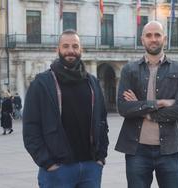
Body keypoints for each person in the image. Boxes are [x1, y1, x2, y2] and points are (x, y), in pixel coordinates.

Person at [23, 29, 109, 188]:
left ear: (81, 50)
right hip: (57, 169)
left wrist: (100, 156)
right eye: (66, 46)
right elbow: (30, 127)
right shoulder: (42, 84)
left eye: (75, 46)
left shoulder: (93, 83)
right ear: (58, 50)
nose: (71, 50)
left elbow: (102, 120)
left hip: (91, 167)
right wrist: (46, 162)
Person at [115, 21, 178, 188]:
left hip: (170, 149)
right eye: (149, 35)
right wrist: (159, 103)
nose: (153, 39)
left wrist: (142, 109)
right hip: (137, 150)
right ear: (142, 40)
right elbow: (123, 108)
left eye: (157, 35)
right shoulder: (129, 70)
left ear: (164, 38)